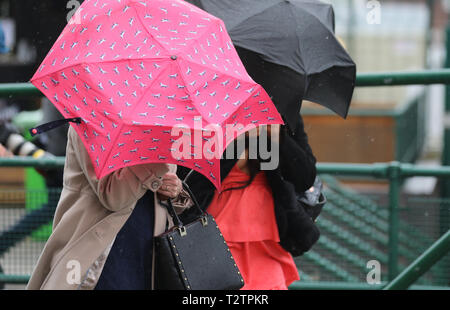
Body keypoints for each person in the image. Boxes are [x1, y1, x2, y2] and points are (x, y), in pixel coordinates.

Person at [26, 126, 192, 290]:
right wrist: (154, 156)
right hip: (101, 255)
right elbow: (113, 196)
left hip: (147, 251)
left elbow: (157, 189)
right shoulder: (89, 121)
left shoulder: (157, 125)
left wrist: (174, 190)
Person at [178, 115, 320, 290]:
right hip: (214, 234)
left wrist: (279, 139)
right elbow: (189, 180)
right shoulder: (207, 111)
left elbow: (304, 178)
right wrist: (239, 137)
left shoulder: (283, 112)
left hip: (268, 239)